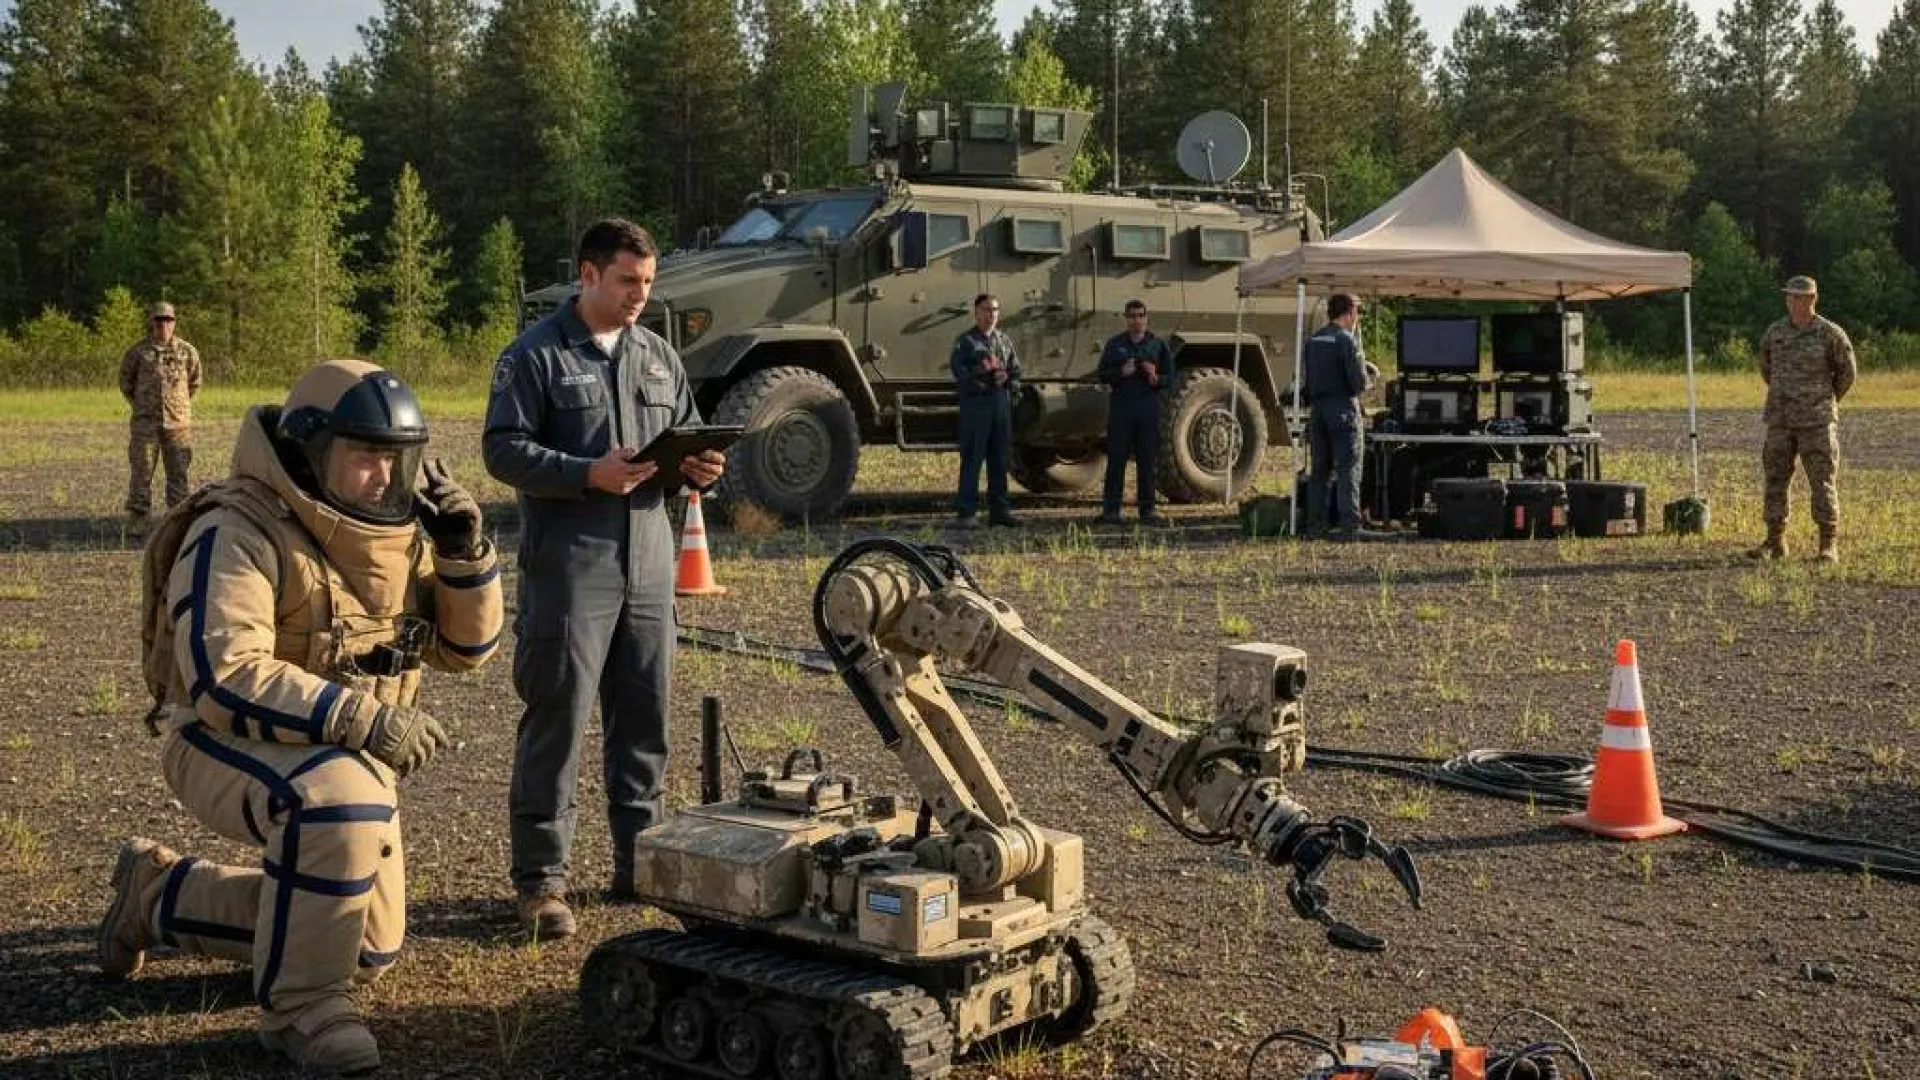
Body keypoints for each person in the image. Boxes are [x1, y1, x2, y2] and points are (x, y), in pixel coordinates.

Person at [99, 358, 503, 1074]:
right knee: (343, 798)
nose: (386, 477)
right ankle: (302, 1010)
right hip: (219, 738)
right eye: (367, 458)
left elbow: (463, 651)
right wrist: (361, 718)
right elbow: (224, 675)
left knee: (368, 945)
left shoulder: (399, 533)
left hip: (340, 751)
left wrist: (464, 557)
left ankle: (157, 894)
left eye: (396, 459)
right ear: (312, 451)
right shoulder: (237, 527)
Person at [483, 218, 726, 939]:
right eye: (626, 282)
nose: (639, 298)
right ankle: (540, 881)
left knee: (645, 720)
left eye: (647, 285)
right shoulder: (534, 357)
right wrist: (586, 472)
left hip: (649, 567)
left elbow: (685, 429)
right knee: (557, 720)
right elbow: (502, 450)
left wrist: (703, 466)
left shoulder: (657, 356)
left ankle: (638, 865)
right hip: (571, 568)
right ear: (587, 275)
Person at [1750, 275, 1856, 563]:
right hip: (1780, 420)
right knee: (1775, 479)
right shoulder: (1775, 333)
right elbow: (1766, 369)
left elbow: (1847, 373)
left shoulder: (1829, 334)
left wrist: (1824, 400)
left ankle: (1827, 544)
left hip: (1816, 422)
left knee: (1822, 482)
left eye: (1799, 297)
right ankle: (1774, 541)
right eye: (1790, 296)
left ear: (1812, 299)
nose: (1793, 302)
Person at [120, 300, 203, 529]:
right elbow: (126, 383)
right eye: (159, 320)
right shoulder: (138, 352)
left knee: (178, 473)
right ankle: (139, 518)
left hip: (178, 425)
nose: (163, 325)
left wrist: (179, 407)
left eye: (168, 320)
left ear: (174, 322)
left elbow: (195, 382)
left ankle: (178, 521)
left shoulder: (186, 351)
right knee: (142, 470)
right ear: (151, 322)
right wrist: (142, 406)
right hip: (146, 424)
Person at [1096, 299, 1174, 525]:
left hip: (1147, 410)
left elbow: (1170, 378)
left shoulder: (1157, 345)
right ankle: (1111, 511)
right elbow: (1103, 374)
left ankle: (1147, 511)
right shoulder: (1115, 344)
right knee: (1116, 461)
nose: (1136, 320)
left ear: (1146, 318)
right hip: (1121, 409)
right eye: (1131, 316)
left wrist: (1155, 377)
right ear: (1126, 319)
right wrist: (1122, 371)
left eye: (1140, 315)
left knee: (1147, 461)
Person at [950, 293, 1024, 528]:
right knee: (973, 459)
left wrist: (1007, 381)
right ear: (976, 313)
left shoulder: (1004, 341)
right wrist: (982, 375)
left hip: (1000, 405)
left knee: (1000, 459)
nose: (990, 314)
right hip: (977, 406)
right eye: (985, 310)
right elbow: (959, 373)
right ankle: (966, 512)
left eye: (994, 310)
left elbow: (1016, 372)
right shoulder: (966, 342)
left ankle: (999, 511)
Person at [1302, 293, 1369, 537]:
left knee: (1320, 471)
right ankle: (1350, 525)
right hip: (1343, 409)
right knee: (1348, 467)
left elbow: (1307, 381)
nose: (1358, 318)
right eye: (1357, 313)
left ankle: (1315, 525)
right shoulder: (1346, 341)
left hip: (1318, 411)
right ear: (1349, 312)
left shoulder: (1314, 340)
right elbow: (1358, 383)